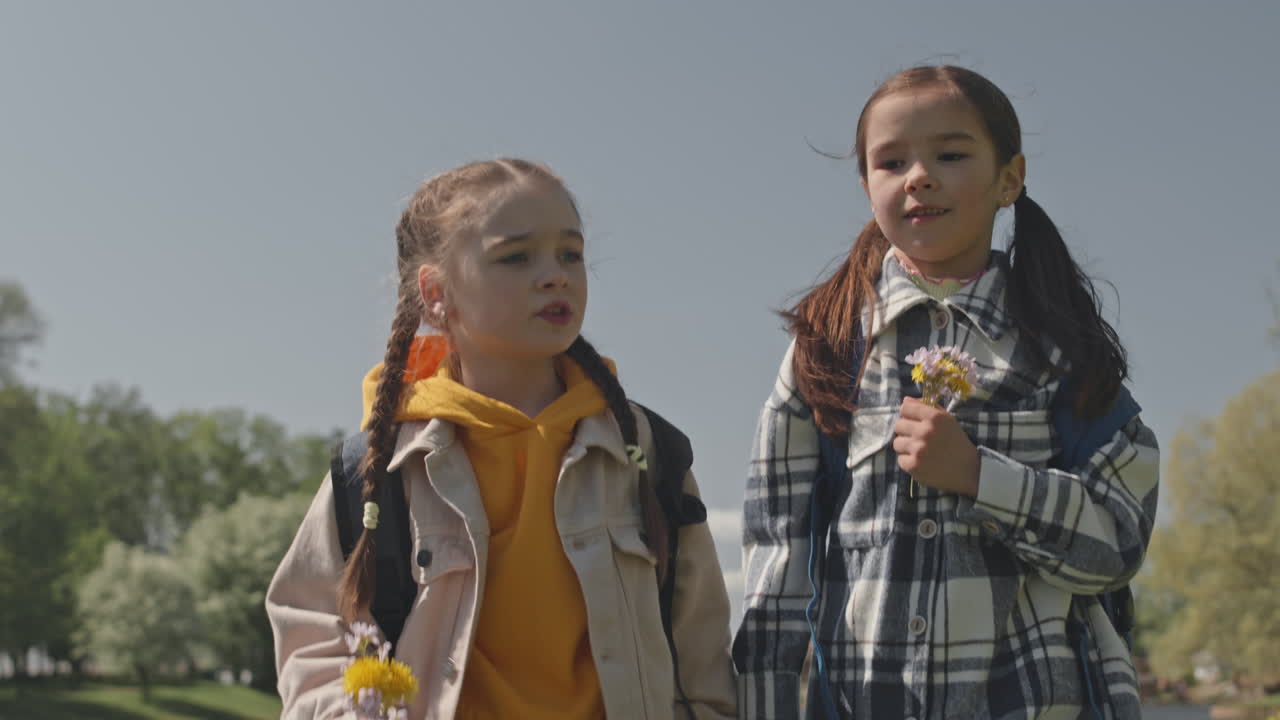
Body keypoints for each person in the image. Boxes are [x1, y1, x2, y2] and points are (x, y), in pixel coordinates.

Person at [733, 66, 1160, 720]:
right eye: (891, 161)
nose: (918, 176)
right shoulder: (826, 349)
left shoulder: (1059, 352)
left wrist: (978, 476)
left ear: (1009, 178)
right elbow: (775, 570)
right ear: (867, 187)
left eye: (951, 154)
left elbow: (1119, 545)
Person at [267, 158, 737, 719]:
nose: (555, 274)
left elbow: (702, 656)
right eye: (516, 256)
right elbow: (312, 639)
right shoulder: (378, 465)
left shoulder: (648, 451)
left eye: (571, 253)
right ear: (437, 293)